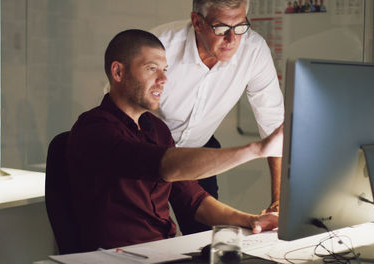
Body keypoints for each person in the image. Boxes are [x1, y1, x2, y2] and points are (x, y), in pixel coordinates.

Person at [65, 29, 281, 252]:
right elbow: (166, 166)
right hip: (116, 257)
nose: (163, 79)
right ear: (118, 72)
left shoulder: (158, 129)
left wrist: (251, 220)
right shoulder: (94, 129)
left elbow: (193, 200)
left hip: (162, 253)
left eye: (165, 70)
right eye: (151, 69)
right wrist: (257, 149)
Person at [149, 0, 284, 234]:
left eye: (240, 27)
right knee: (144, 239)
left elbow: (275, 131)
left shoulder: (253, 51)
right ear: (197, 22)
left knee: (206, 240)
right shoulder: (159, 46)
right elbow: (122, 113)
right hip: (146, 155)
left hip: (198, 154)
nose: (232, 40)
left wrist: (279, 204)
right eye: (221, 29)